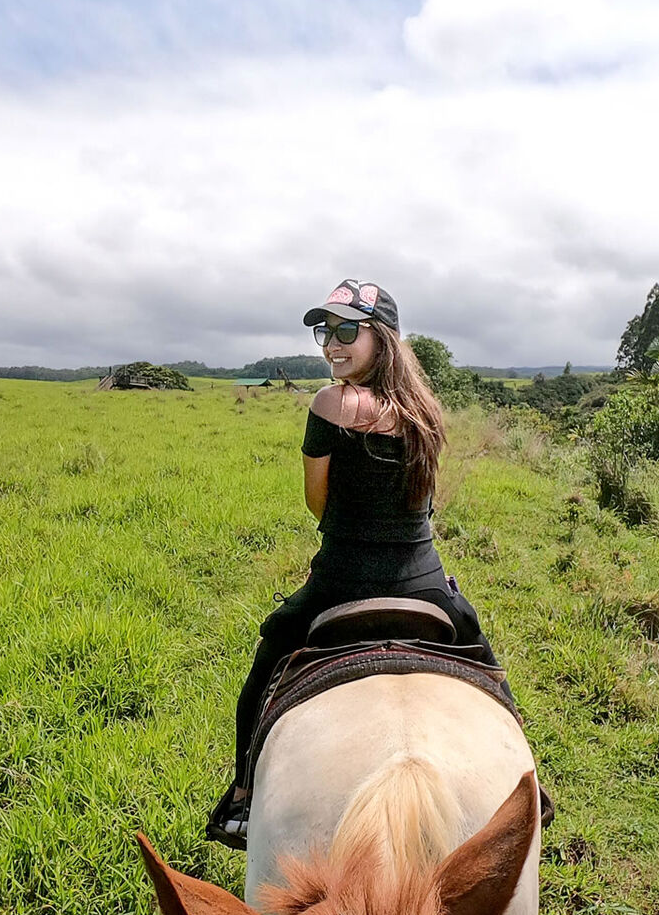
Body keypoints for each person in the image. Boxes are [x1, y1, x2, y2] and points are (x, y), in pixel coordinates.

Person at [206, 279, 498, 849]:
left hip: (340, 580)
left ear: (380, 337)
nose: (331, 345)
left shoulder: (331, 402)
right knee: (482, 658)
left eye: (346, 330)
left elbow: (316, 501)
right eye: (324, 331)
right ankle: (529, 789)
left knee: (266, 664)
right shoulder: (425, 409)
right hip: (423, 580)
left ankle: (242, 794)